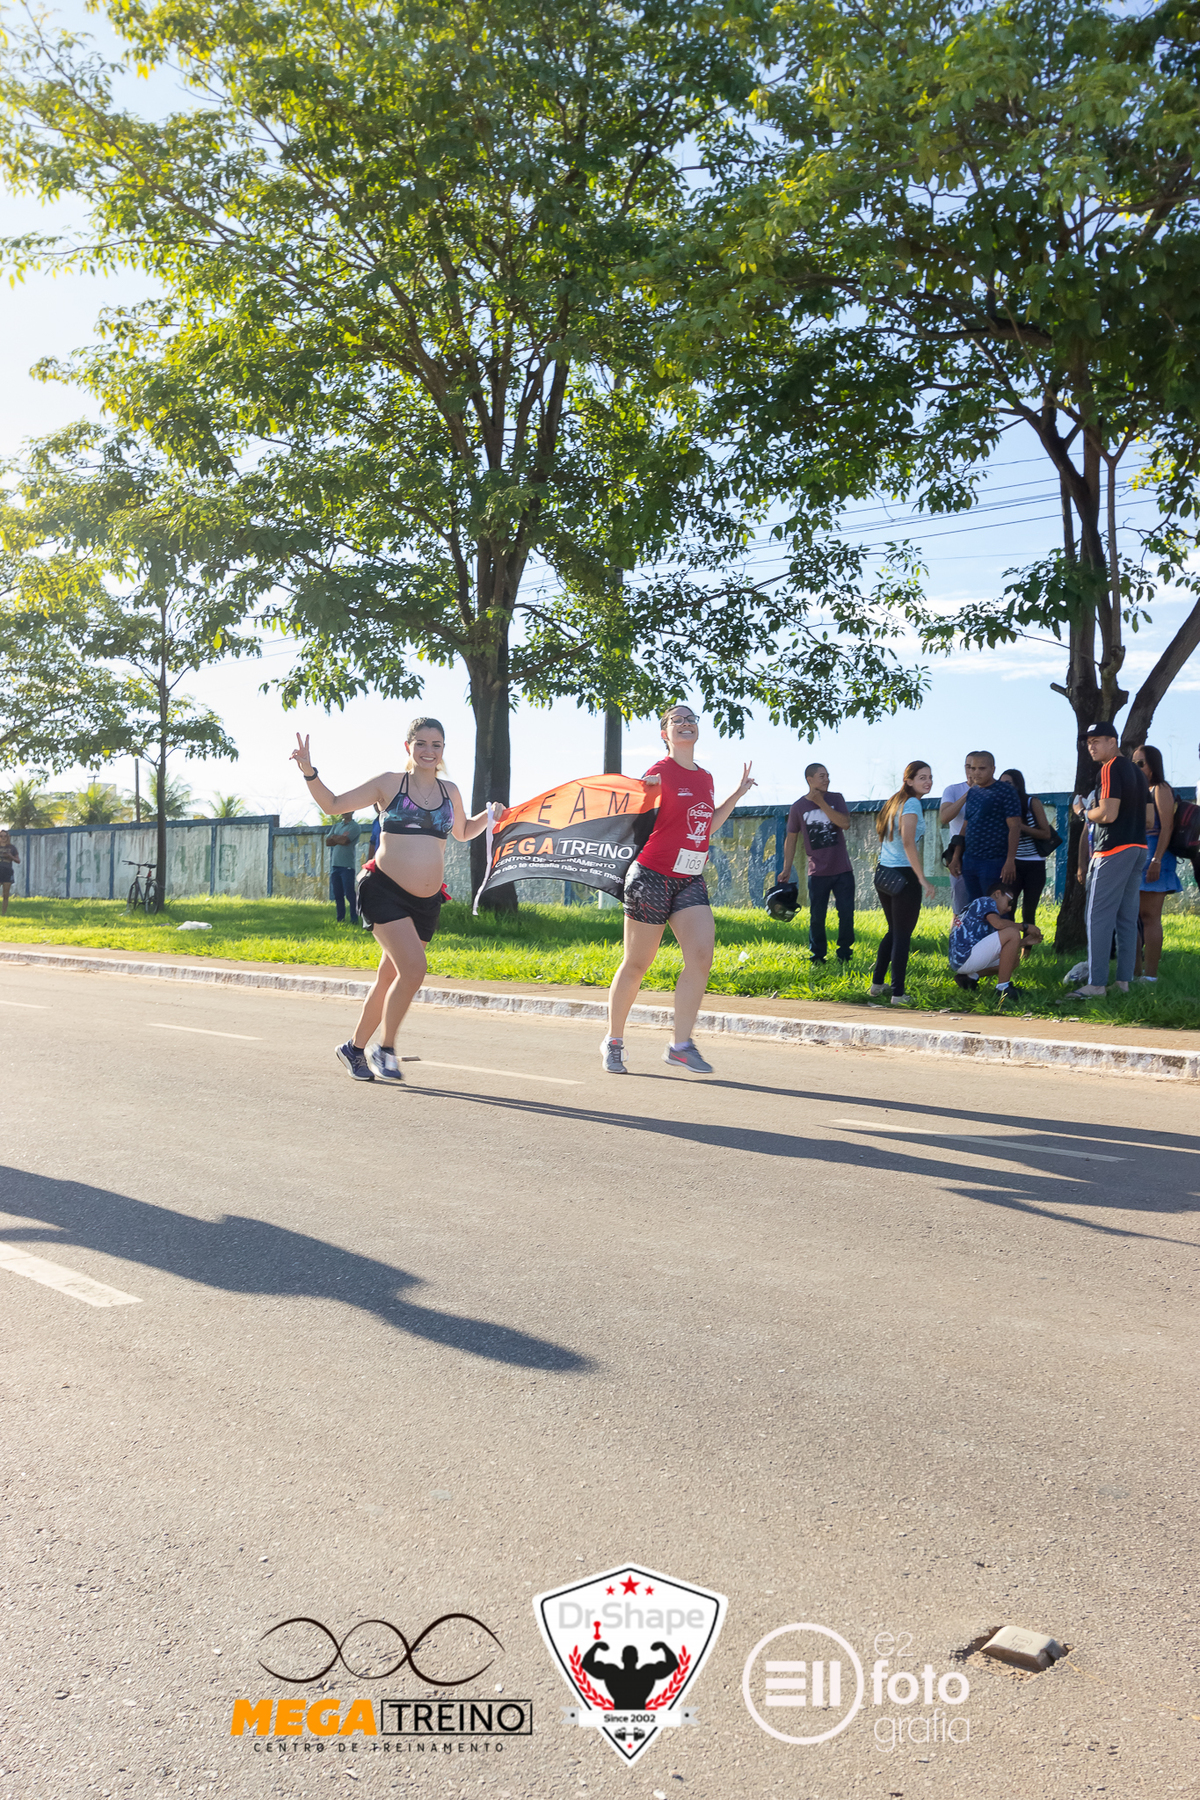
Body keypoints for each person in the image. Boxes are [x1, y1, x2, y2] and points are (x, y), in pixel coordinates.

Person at [290, 717, 490, 1081]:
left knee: (388, 979)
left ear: (443, 750)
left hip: (427, 903)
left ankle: (353, 1048)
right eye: (422, 744)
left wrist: (489, 818)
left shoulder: (451, 791)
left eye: (437, 745)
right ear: (408, 747)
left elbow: (462, 833)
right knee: (414, 969)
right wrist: (309, 771)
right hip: (383, 891)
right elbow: (334, 804)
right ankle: (386, 1048)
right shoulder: (389, 784)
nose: (429, 751)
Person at [602, 704, 755, 1074]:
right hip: (651, 875)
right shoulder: (658, 772)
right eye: (677, 721)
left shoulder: (705, 777)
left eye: (690, 719)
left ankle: (680, 1045)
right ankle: (614, 1040)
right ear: (664, 733)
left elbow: (706, 825)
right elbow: (638, 810)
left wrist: (736, 794)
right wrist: (647, 789)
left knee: (701, 956)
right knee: (638, 963)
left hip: (688, 878)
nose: (685, 724)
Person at [1068, 721, 1150, 999]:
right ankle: (1123, 983)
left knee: (1097, 917)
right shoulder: (1138, 773)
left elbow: (1108, 814)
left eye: (1098, 740)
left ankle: (1096, 984)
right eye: (1089, 741)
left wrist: (1082, 812)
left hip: (1113, 849)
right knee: (1127, 919)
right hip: (1138, 848)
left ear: (1113, 741)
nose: (1091, 746)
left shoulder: (1110, 767)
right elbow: (1150, 819)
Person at [870, 761, 936, 1008]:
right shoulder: (912, 803)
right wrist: (921, 878)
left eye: (930, 777)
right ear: (908, 780)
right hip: (902, 876)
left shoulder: (895, 801)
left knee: (894, 930)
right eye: (921, 777)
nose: (927, 781)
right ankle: (898, 993)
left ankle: (878, 984)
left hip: (884, 873)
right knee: (902, 935)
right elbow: (908, 842)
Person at [779, 762, 855, 965]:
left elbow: (845, 823)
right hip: (818, 872)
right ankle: (817, 956)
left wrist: (821, 802)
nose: (827, 779)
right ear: (809, 780)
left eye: (828, 775)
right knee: (817, 916)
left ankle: (845, 953)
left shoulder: (836, 799)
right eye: (822, 776)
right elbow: (791, 838)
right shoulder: (798, 807)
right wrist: (787, 868)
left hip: (843, 870)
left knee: (846, 913)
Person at [939, 752, 1021, 901]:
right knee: (975, 909)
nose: (976, 772)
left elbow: (1014, 827)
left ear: (993, 769)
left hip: (994, 861)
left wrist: (1010, 860)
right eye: (972, 768)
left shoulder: (1006, 791)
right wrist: (956, 856)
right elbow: (965, 826)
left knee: (997, 908)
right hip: (970, 860)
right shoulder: (973, 793)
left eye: (982, 768)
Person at [949, 881, 1042, 1003]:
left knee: (1013, 960)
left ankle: (969, 978)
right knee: (1013, 932)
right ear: (997, 894)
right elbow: (999, 924)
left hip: (959, 959)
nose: (1009, 908)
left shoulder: (981, 911)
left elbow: (1001, 947)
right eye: (1010, 902)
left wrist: (1024, 942)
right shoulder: (986, 901)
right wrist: (1025, 927)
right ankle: (1003, 988)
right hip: (965, 956)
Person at [1132, 743, 1179, 981]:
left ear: (1153, 766)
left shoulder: (1160, 788)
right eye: (1134, 763)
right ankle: (1134, 971)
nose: (1137, 767)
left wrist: (1157, 860)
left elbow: (1167, 827)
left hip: (1155, 857)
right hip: (1137, 856)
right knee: (1134, 916)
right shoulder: (1138, 790)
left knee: (1150, 917)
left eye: (1141, 763)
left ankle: (1150, 975)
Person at [998, 768, 1056, 929]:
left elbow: (1045, 833)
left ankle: (1027, 951)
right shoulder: (1000, 806)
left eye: (1008, 783)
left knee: (1029, 910)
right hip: (1012, 863)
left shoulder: (1031, 803)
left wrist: (1019, 826)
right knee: (1008, 906)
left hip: (1034, 864)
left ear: (1017, 785)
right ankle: (1010, 945)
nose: (1004, 787)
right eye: (1001, 784)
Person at [938, 762, 971, 917]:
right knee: (960, 909)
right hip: (959, 855)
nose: (973, 771)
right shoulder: (953, 790)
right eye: (969, 767)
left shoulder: (994, 790)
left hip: (986, 855)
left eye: (979, 767)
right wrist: (967, 794)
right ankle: (957, 940)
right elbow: (944, 817)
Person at [325, 810, 362, 924]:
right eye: (343, 810)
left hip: (347, 866)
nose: (344, 813)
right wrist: (338, 837)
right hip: (335, 865)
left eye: (347, 811)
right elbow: (328, 842)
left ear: (352, 811)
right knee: (338, 894)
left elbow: (346, 841)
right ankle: (340, 919)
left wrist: (335, 837)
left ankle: (354, 919)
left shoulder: (355, 827)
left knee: (350, 894)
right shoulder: (337, 825)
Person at [0, 829, 19, 915]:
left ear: (8, 837)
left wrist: (10, 856)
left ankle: (3, 913)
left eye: (5, 836)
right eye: (1, 836)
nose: (3, 838)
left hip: (7, 872)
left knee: (5, 894)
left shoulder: (12, 848)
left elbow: (18, 860)